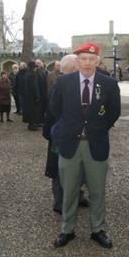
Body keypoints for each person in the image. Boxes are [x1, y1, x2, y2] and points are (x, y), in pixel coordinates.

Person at [49, 42, 120, 248]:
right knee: (69, 190)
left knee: (97, 190)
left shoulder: (108, 84)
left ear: (97, 61)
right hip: (70, 144)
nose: (87, 63)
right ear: (77, 61)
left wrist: (98, 128)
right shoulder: (63, 82)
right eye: (83, 59)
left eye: (91, 59)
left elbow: (114, 112)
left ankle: (97, 229)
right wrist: (69, 127)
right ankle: (67, 230)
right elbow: (54, 109)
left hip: (95, 144)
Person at [44, 54, 89, 214]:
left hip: (78, 134)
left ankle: (78, 195)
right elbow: (54, 111)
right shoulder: (60, 85)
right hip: (62, 135)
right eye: (79, 65)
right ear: (72, 68)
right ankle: (60, 201)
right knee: (59, 168)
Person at [23, 61, 42, 131]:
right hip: (32, 96)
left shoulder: (28, 73)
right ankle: (32, 125)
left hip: (29, 96)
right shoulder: (32, 74)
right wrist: (37, 96)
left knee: (31, 110)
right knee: (33, 111)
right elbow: (34, 86)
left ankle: (31, 124)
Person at [35, 58, 48, 123]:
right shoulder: (35, 72)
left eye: (39, 63)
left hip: (44, 92)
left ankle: (42, 119)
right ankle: (39, 120)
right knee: (39, 108)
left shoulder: (45, 71)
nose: (38, 65)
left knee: (44, 107)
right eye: (37, 63)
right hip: (38, 93)